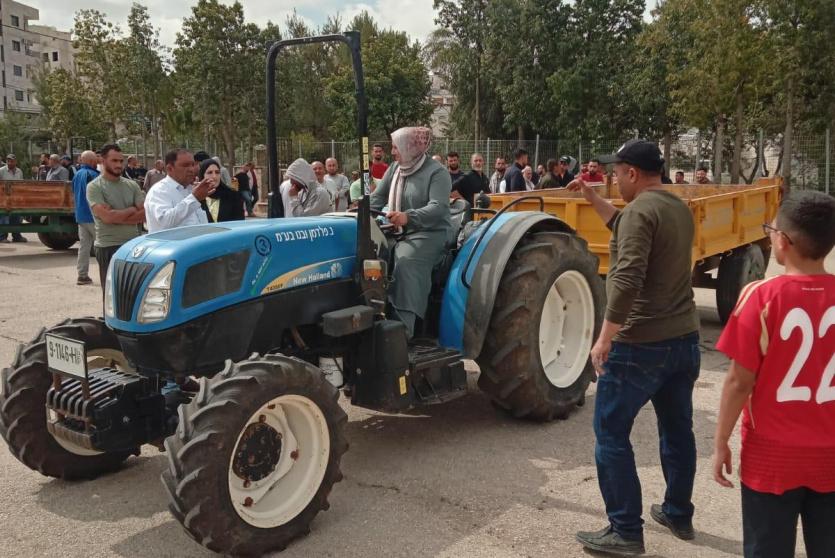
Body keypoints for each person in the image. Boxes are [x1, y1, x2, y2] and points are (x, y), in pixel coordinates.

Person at [569, 139, 700, 556]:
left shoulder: (642, 211)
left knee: (610, 433)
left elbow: (626, 279)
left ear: (632, 174)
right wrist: (592, 199)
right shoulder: (675, 207)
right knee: (677, 428)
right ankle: (678, 511)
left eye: (615, 173)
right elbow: (624, 225)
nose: (611, 179)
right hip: (684, 340)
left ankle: (625, 529)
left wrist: (605, 337)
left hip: (640, 343)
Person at [712, 191, 835, 558]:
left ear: (783, 241)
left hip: (772, 457)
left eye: (771, 230)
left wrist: (720, 441)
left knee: (767, 549)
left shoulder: (761, 295)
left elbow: (739, 381)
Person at [370, 126, 452, 337]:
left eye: (396, 147)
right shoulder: (396, 169)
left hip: (429, 233)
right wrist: (355, 210)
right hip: (398, 230)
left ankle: (403, 330)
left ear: (409, 147)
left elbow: (439, 207)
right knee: (367, 254)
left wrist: (408, 216)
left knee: (406, 260)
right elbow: (378, 198)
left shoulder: (437, 172)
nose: (393, 152)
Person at [86, 144, 145, 293]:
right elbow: (107, 217)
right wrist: (132, 209)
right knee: (112, 295)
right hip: (108, 247)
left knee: (134, 293)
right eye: (114, 161)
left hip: (133, 246)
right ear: (103, 161)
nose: (119, 165)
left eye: (121, 161)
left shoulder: (132, 185)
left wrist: (115, 216)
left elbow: (145, 213)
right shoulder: (94, 187)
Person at [144, 149, 216, 234]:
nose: (191, 169)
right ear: (170, 168)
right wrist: (194, 198)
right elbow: (164, 222)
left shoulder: (190, 189)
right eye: (185, 165)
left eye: (193, 164)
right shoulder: (159, 191)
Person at [72, 151, 100, 285]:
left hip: (81, 216)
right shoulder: (94, 175)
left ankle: (82, 275)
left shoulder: (77, 174)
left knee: (84, 247)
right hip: (93, 217)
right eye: (95, 160)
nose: (97, 162)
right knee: (103, 246)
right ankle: (109, 274)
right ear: (91, 161)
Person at [0, 154, 26, 242]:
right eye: (8, 161)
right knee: (4, 216)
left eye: (12, 161)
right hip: (4, 198)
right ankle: (2, 237)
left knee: (16, 216)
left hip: (16, 198)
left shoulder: (19, 171)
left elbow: (21, 184)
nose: (10, 162)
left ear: (15, 162)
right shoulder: (1, 171)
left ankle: (16, 236)